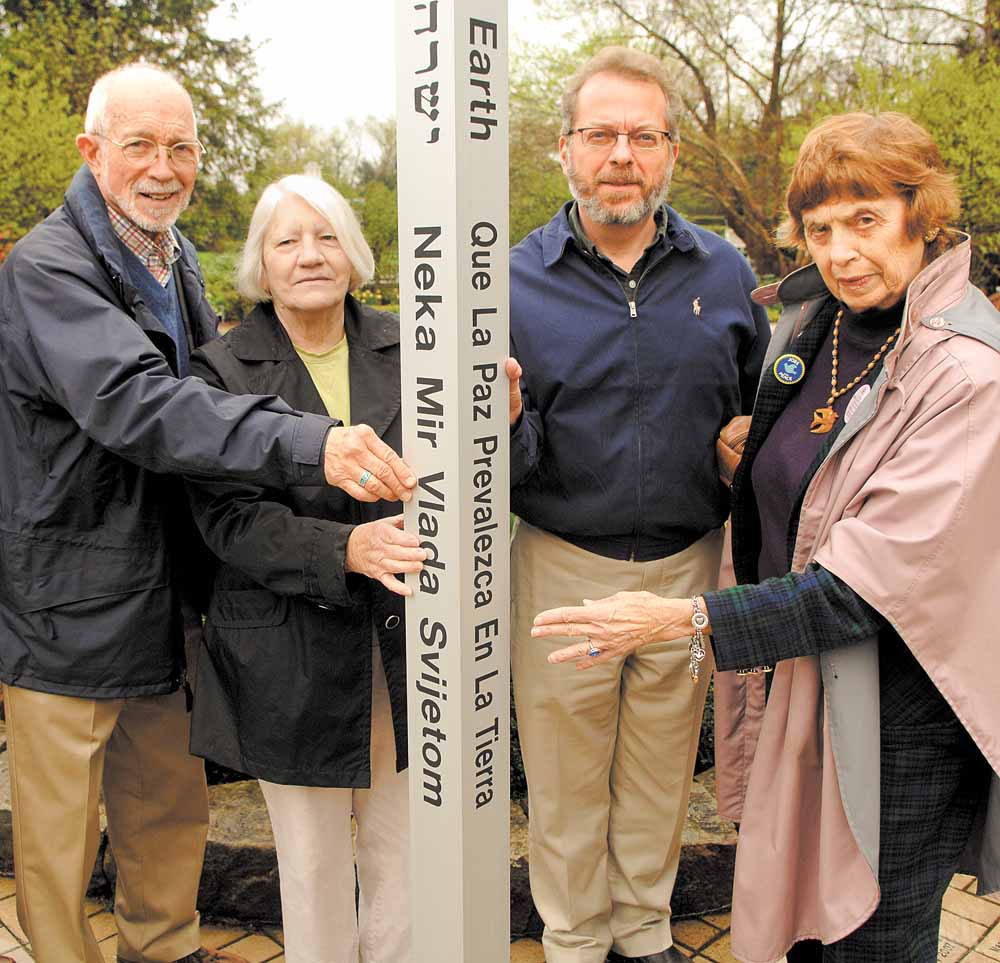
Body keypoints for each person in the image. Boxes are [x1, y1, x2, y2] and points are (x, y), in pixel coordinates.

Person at [534, 111, 1000, 963]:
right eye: (821, 229)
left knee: (873, 937)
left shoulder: (966, 374)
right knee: (806, 932)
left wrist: (679, 620)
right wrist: (740, 455)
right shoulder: (812, 327)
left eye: (867, 220)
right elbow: (804, 474)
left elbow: (864, 588)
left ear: (921, 213)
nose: (842, 251)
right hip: (805, 688)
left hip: (895, 720)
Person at [0, 65, 416, 963]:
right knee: (59, 838)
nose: (164, 166)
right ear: (91, 151)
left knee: (165, 809)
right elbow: (142, 405)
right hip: (68, 600)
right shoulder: (48, 267)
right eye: (140, 145)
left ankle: (166, 948)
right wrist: (313, 443)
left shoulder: (171, 254)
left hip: (164, 594)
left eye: (182, 146)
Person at [505, 45, 770, 963]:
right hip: (561, 561)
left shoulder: (724, 274)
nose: (621, 153)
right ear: (565, 149)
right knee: (569, 778)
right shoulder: (507, 282)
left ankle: (646, 930)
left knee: (660, 771)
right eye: (601, 133)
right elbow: (498, 460)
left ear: (670, 153)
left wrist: (745, 454)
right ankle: (576, 940)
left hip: (684, 567)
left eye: (642, 135)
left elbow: (751, 421)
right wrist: (498, 424)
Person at [184, 175, 421, 963]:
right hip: (288, 650)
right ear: (261, 261)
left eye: (325, 237)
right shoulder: (220, 370)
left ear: (353, 252)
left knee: (404, 853)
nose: (309, 255)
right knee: (314, 866)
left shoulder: (413, 346)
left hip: (402, 645)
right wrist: (342, 550)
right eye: (286, 241)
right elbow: (226, 518)